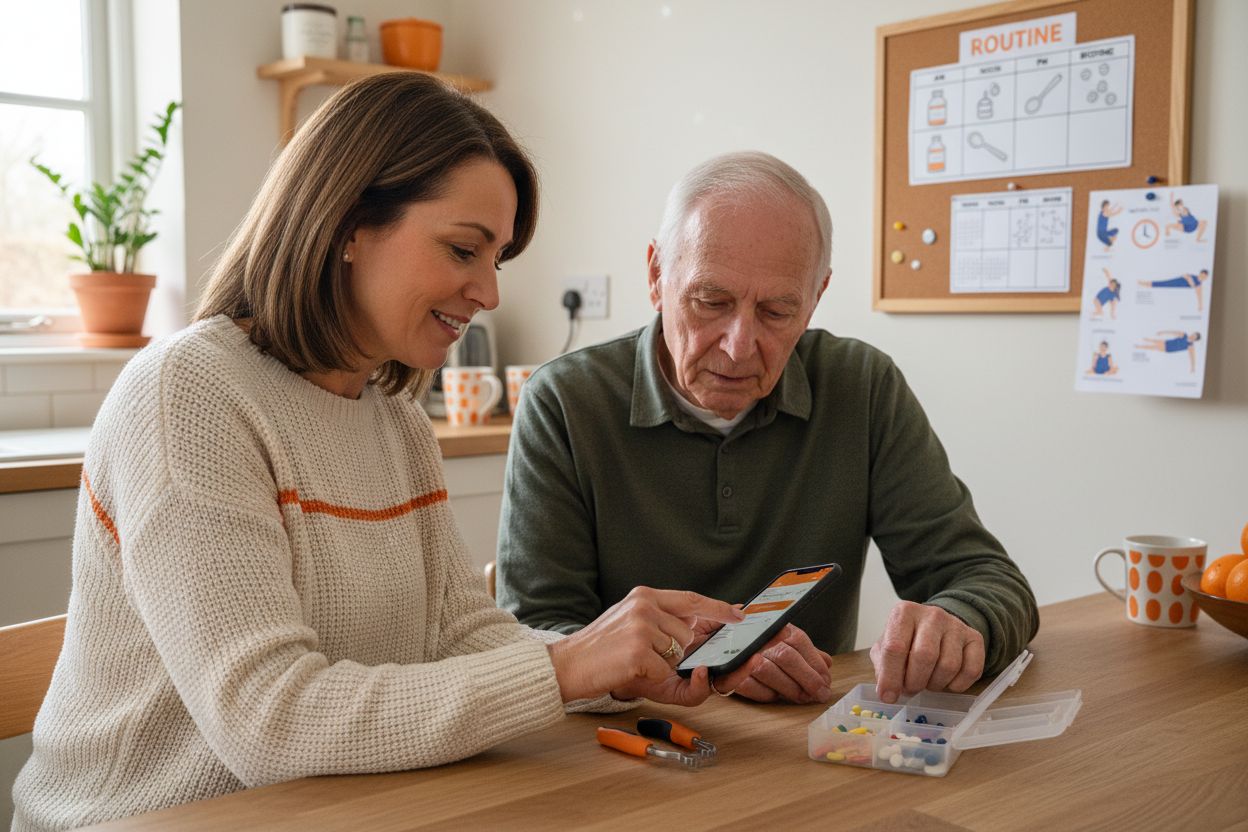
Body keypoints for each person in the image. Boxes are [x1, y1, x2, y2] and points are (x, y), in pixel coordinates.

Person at [11, 74, 755, 832]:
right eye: (464, 248)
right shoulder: (188, 395)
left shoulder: (392, 415)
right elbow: (268, 720)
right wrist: (565, 668)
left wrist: (625, 667)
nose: (489, 293)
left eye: (496, 258)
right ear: (348, 223)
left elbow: (460, 633)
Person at [498, 151, 1038, 709]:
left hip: (805, 744)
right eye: (712, 302)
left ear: (815, 299)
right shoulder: (564, 401)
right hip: (626, 743)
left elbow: (988, 579)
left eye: (777, 311)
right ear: (657, 276)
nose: (738, 346)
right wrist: (702, 661)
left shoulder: (862, 386)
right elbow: (537, 637)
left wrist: (955, 622)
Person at [1138, 269, 1210, 312]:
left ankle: (1144, 284)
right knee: (1162, 283)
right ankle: (1144, 283)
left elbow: (1199, 295)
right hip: (1176, 281)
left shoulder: (1199, 284)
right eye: (1202, 275)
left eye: (1205, 276)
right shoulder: (1193, 277)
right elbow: (1187, 277)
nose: (1203, 277)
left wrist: (1200, 306)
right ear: (1200, 274)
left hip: (1177, 287)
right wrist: (1192, 283)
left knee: (1162, 285)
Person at [1135, 330, 1201, 373]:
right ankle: (1146, 340)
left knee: (1154, 347)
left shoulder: (1190, 346)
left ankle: (1139, 346)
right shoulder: (1184, 335)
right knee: (1154, 341)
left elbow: (1192, 357)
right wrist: (1162, 332)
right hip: (1168, 342)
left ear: (1195, 339)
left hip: (1170, 348)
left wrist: (1193, 367)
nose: (1192, 336)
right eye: (1193, 334)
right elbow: (1173, 332)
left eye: (1194, 337)